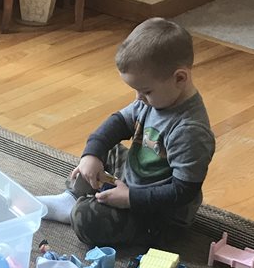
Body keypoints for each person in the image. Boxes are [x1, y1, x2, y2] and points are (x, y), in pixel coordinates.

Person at [37, 18, 215, 247]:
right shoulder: (153, 101)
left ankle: (80, 208)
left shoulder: (190, 131)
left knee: (86, 218)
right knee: (102, 149)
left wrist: (130, 198)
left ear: (179, 78)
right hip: (136, 180)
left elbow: (182, 192)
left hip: (160, 214)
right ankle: (70, 198)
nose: (138, 98)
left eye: (146, 91)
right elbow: (118, 122)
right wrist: (92, 155)